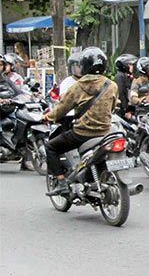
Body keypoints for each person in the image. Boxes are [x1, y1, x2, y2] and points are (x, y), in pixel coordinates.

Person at [42, 47, 118, 196]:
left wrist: (47, 117)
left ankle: (62, 182)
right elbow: (113, 107)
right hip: (106, 132)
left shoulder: (77, 87)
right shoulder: (112, 85)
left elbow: (61, 109)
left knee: (51, 147)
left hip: (82, 133)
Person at [113, 54, 138, 120]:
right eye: (130, 64)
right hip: (123, 113)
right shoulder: (120, 77)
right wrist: (125, 110)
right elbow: (121, 93)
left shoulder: (128, 77)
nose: (132, 67)